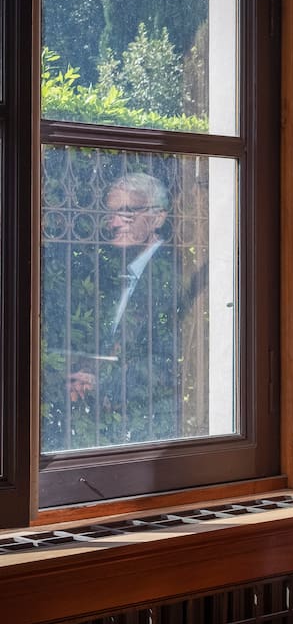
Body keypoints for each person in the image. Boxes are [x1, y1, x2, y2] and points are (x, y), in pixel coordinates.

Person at [41, 169, 206, 450]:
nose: (114, 223)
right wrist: (84, 373)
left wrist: (101, 384)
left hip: (155, 429)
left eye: (127, 212)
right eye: (110, 214)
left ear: (157, 217)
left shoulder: (171, 274)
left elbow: (171, 361)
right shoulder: (120, 274)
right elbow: (117, 348)